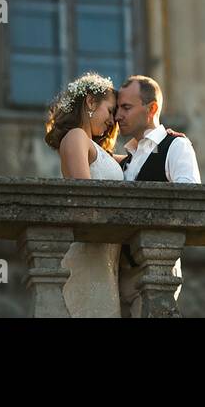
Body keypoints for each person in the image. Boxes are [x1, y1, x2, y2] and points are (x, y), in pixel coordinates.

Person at [114, 75, 200, 314]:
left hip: (156, 270)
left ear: (151, 108)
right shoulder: (128, 159)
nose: (118, 115)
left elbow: (190, 202)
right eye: (118, 108)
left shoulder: (176, 146)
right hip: (118, 273)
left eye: (126, 107)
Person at [43, 72, 123, 318]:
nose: (113, 120)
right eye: (110, 111)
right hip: (88, 259)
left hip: (105, 261)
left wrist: (166, 141)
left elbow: (138, 159)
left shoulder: (97, 149)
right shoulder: (77, 137)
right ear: (90, 102)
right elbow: (84, 199)